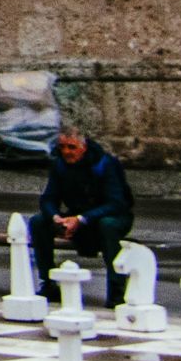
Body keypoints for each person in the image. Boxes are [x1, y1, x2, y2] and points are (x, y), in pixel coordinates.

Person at [30, 119, 134, 278]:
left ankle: (116, 293)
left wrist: (81, 219)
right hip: (76, 216)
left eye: (72, 147)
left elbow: (116, 203)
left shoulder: (105, 164)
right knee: (38, 222)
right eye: (62, 147)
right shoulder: (60, 165)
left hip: (110, 216)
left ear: (83, 148)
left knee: (107, 225)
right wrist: (56, 218)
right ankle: (48, 283)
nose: (66, 152)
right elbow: (48, 198)